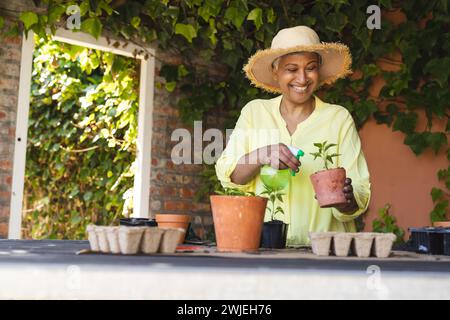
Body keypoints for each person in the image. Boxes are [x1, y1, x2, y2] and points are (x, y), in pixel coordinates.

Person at [215, 26, 371, 246]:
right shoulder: (255, 113)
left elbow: (360, 193)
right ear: (276, 72)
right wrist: (262, 155)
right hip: (264, 248)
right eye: (291, 69)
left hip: (325, 252)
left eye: (311, 68)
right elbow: (230, 177)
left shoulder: (338, 119)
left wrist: (345, 201)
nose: (302, 78)